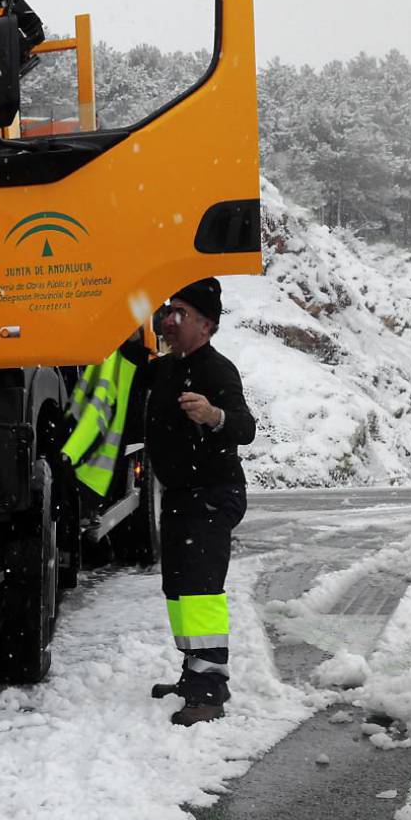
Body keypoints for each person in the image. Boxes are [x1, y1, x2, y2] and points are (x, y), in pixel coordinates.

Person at [142, 277, 256, 726]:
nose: (169, 321)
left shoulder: (216, 369)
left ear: (206, 325)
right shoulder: (166, 368)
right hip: (179, 495)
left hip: (213, 493)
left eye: (180, 314)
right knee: (179, 592)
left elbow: (245, 427)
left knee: (201, 592)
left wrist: (214, 415)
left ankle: (210, 690)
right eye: (168, 311)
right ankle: (193, 674)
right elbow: (130, 361)